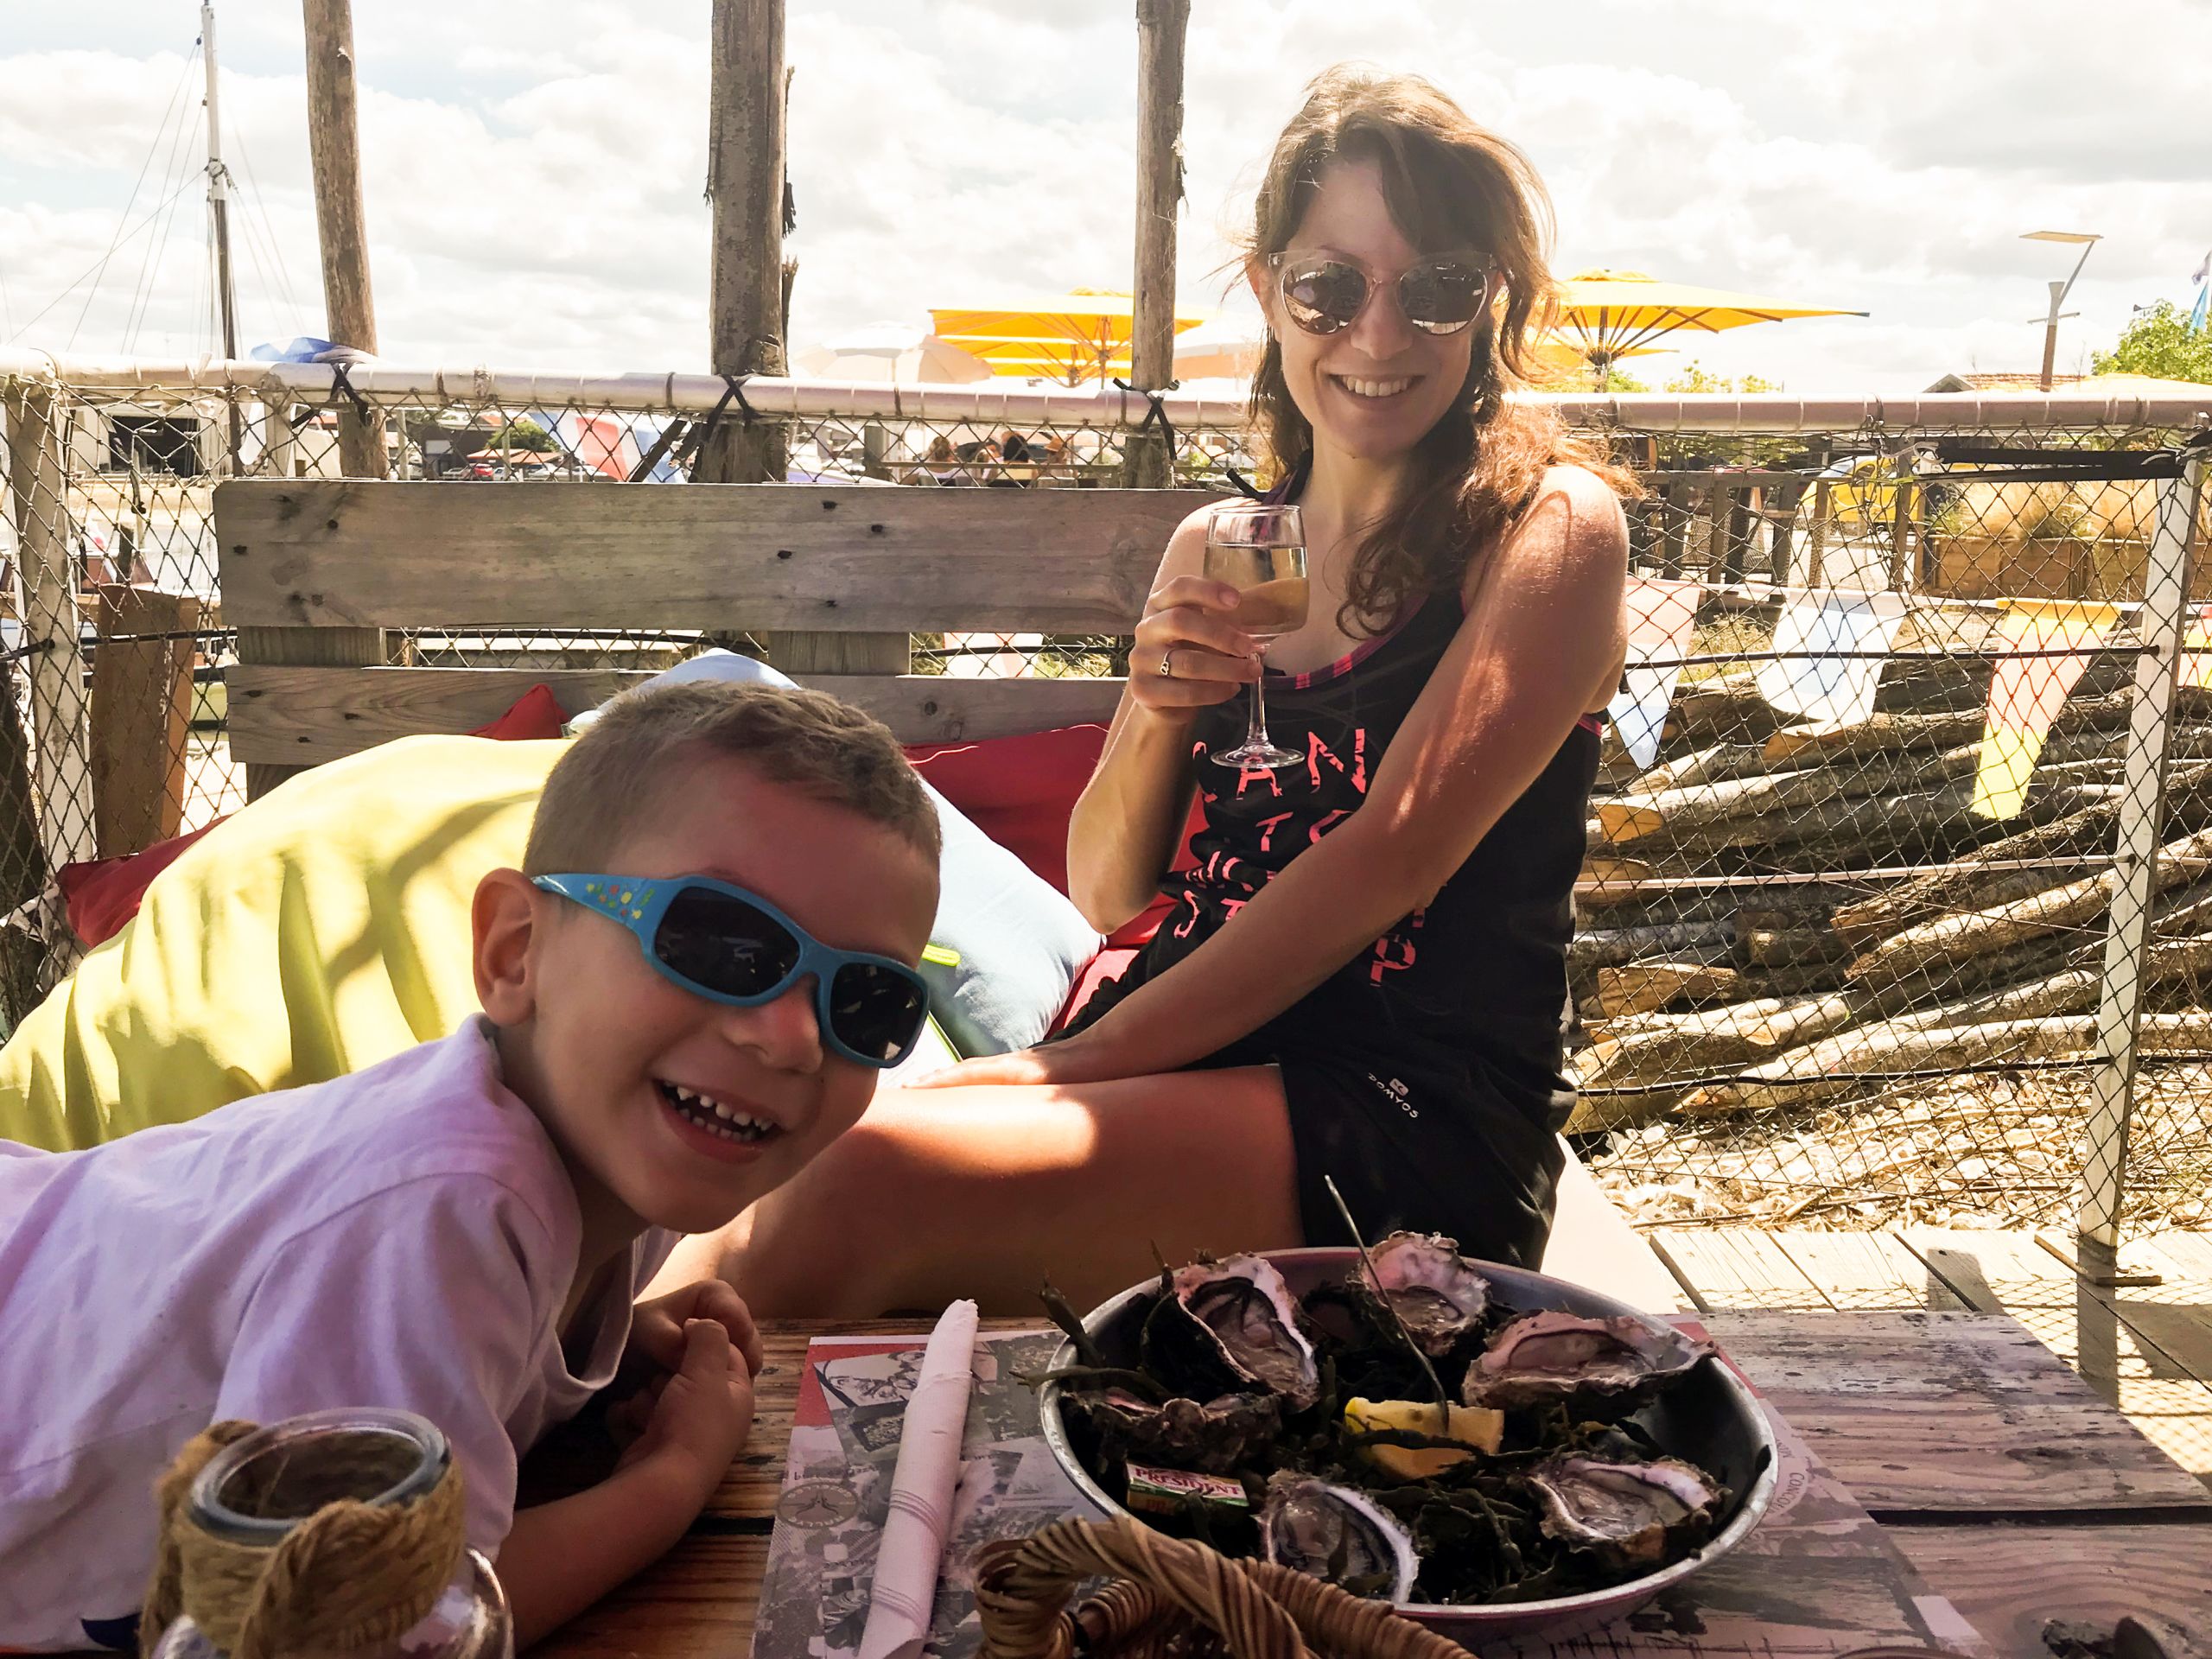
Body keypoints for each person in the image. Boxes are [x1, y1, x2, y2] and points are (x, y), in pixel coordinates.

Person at [716, 65, 1631, 1321]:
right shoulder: (1221, 544)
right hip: (1183, 1044)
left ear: (1489, 303)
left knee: (851, 1182)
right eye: (1328, 286)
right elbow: (1109, 892)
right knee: (770, 1149)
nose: (1378, 334)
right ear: (1269, 291)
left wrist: (1066, 1070)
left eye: (1436, 288)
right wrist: (1151, 710)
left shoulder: (1548, 533)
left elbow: (1391, 857)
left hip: (1404, 1105)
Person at [0, 683, 940, 1649]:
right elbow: (375, 1626)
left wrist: (566, 1353)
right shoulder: (439, 1207)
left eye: (868, 1003)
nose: (791, 1037)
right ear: (516, 951)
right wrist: (671, 1480)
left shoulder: (627, 1161)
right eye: (722, 943)